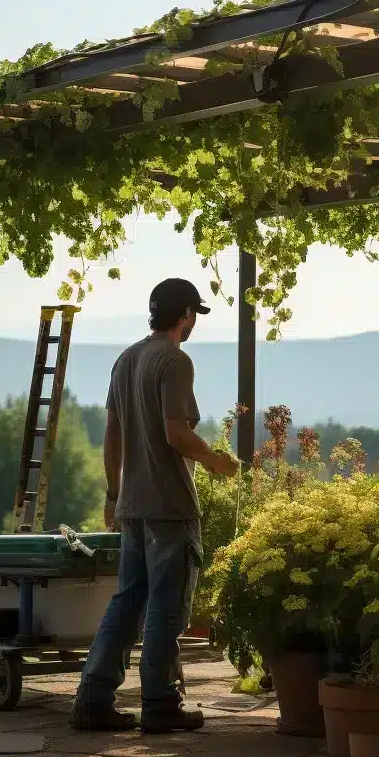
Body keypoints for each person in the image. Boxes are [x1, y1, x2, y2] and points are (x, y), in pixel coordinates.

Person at [70, 278, 240, 733]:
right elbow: (175, 433)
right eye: (194, 315)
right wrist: (215, 461)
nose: (193, 324)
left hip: (132, 505)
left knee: (127, 602)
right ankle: (162, 704)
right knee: (167, 607)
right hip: (170, 505)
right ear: (185, 314)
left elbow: (112, 433)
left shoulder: (126, 359)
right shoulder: (175, 361)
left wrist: (112, 492)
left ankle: (92, 698)